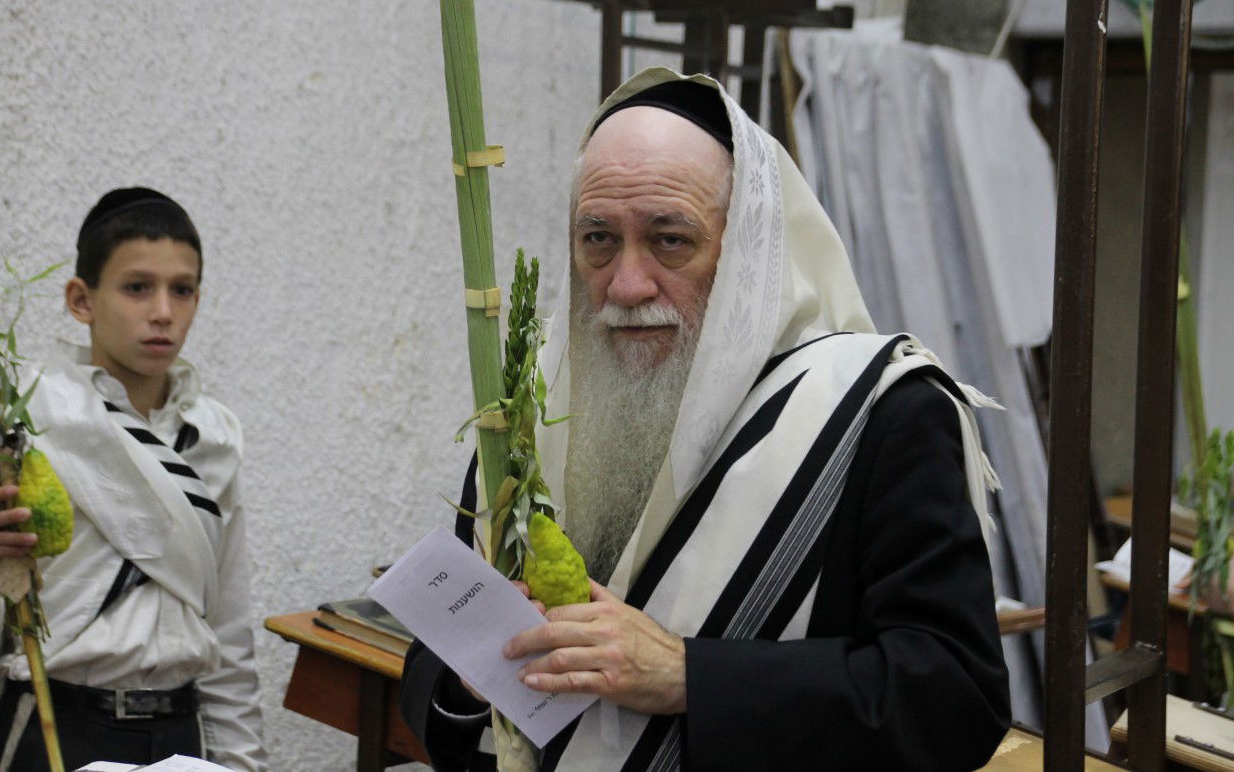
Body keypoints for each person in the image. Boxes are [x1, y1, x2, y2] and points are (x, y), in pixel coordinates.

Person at [400, 69, 1011, 771]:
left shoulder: (878, 413)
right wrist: (471, 674)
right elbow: (433, 667)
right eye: (598, 239)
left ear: (749, 247)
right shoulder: (528, 404)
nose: (626, 285)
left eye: (670, 239)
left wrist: (688, 675)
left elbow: (955, 697)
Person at [0, 189, 266, 771]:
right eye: (137, 287)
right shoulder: (21, 419)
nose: (163, 312)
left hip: (180, 737)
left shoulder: (213, 437)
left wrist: (241, 762)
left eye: (182, 289)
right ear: (81, 299)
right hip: (48, 726)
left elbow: (228, 633)